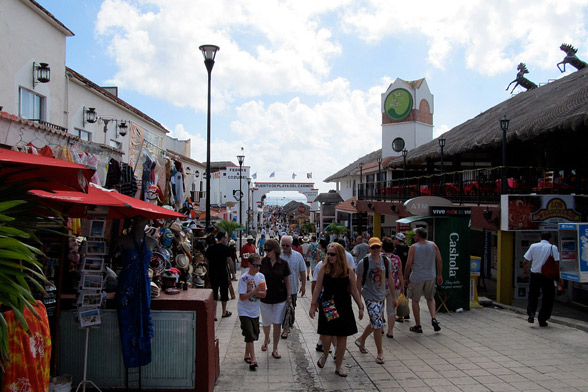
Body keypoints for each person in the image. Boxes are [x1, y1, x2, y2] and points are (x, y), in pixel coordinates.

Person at [309, 243, 364, 377]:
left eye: (332, 254)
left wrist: (360, 306)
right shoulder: (324, 268)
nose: (329, 256)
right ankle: (326, 354)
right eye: (328, 254)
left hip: (344, 304)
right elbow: (317, 287)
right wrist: (313, 304)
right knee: (327, 334)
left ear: (339, 255)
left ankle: (338, 366)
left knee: (342, 336)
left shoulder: (348, 271)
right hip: (329, 304)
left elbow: (354, 290)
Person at [354, 237, 395, 364]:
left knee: (376, 321)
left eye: (378, 247)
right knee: (378, 325)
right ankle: (380, 353)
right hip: (369, 295)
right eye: (373, 247)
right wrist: (359, 302)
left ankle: (361, 339)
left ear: (381, 247)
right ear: (370, 248)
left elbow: (390, 279)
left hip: (381, 295)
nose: (376, 250)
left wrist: (394, 297)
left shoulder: (386, 261)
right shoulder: (364, 262)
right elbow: (358, 282)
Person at [404, 227, 443, 333]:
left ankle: (418, 325)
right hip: (431, 276)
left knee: (415, 300)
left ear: (418, 236)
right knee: (430, 298)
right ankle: (433, 318)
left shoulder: (414, 247)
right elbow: (439, 260)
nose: (414, 237)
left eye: (415, 235)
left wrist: (405, 277)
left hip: (417, 277)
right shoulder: (433, 245)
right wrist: (439, 274)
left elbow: (408, 264)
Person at [259, 238, 291, 359]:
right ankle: (267, 338)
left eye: (269, 250)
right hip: (265, 298)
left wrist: (289, 296)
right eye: (265, 250)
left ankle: (275, 348)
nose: (267, 252)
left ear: (275, 250)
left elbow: (287, 281)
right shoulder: (263, 262)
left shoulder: (283, 263)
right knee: (266, 323)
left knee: (277, 323)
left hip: (280, 298)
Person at [523, 232, 560, 327]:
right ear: (550, 239)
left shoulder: (533, 246)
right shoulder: (553, 248)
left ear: (540, 238)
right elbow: (557, 263)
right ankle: (543, 319)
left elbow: (526, 260)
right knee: (548, 297)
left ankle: (531, 312)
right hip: (548, 276)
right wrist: (558, 277)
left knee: (533, 294)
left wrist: (525, 270)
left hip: (535, 274)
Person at [238, 253, 267, 371]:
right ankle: (253, 358)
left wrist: (253, 292)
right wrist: (254, 291)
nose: (258, 268)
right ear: (249, 264)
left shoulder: (261, 277)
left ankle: (246, 354)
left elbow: (264, 294)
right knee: (249, 333)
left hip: (255, 310)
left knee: (253, 333)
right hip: (244, 310)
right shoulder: (243, 278)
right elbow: (242, 297)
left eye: (259, 265)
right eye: (255, 265)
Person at [279, 236, 306, 339]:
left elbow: (302, 272)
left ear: (291, 245)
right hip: (281, 289)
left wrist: (303, 286)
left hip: (293, 288)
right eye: (283, 245)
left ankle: (288, 325)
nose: (284, 247)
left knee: (291, 307)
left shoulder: (298, 256)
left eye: (287, 245)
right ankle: (285, 328)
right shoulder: (279, 256)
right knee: (282, 309)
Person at [205, 231, 236, 320]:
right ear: (222, 238)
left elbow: (206, 261)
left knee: (214, 293)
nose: (226, 239)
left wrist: (208, 271)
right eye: (225, 237)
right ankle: (223, 312)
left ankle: (214, 314)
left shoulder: (210, 248)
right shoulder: (225, 248)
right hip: (223, 272)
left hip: (213, 273)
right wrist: (233, 273)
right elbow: (230, 261)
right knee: (224, 292)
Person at [381, 236, 404, 338]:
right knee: (392, 309)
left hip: (382, 285)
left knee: (380, 307)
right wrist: (402, 286)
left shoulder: (380, 258)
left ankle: (380, 327)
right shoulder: (397, 259)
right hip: (395, 286)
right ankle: (390, 331)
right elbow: (400, 274)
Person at [393, 232, 410, 322]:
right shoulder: (409, 248)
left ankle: (400, 315)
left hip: (398, 275)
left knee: (400, 294)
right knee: (405, 294)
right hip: (407, 274)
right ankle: (406, 313)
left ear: (397, 240)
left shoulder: (396, 250)